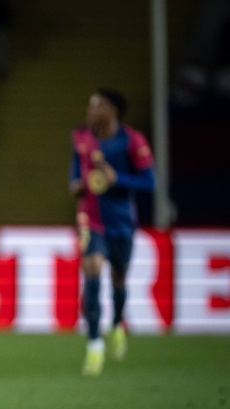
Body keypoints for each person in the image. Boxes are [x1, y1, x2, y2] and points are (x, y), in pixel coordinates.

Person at [69, 88, 155, 376]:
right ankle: (94, 344)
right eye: (90, 105)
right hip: (90, 220)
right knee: (92, 270)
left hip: (121, 222)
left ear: (112, 111)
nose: (90, 111)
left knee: (119, 278)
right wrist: (75, 183)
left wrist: (118, 179)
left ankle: (117, 324)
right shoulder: (80, 137)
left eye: (97, 106)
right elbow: (76, 166)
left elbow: (149, 182)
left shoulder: (132, 141)